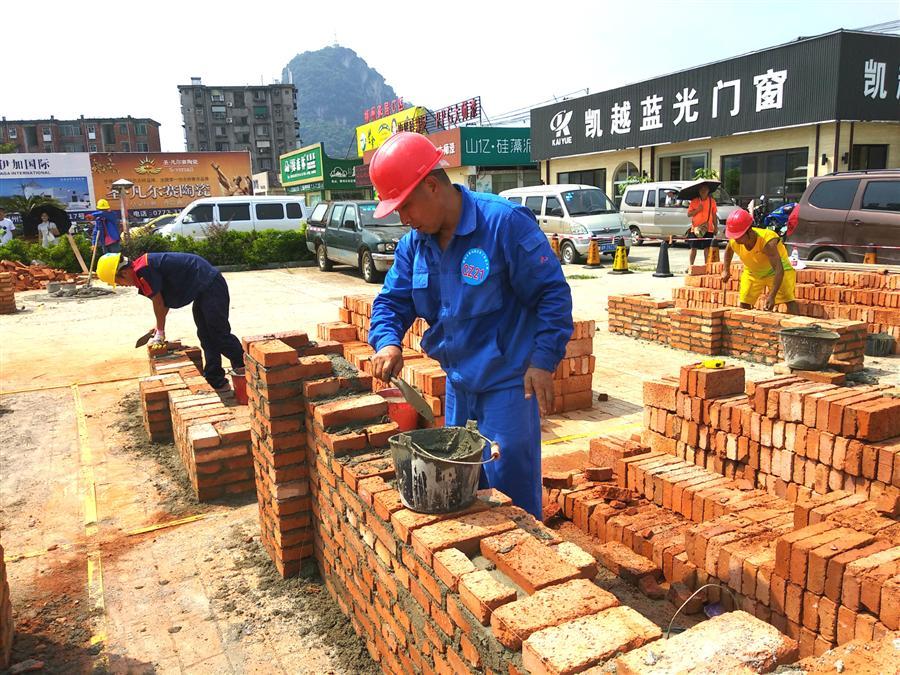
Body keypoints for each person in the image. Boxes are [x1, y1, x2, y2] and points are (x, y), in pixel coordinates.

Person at [366, 132, 574, 520]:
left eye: (405, 206)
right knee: (461, 488)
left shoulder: (503, 225)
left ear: (431, 186)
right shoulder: (416, 244)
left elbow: (553, 296)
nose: (403, 218)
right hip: (459, 386)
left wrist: (543, 361)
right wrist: (387, 342)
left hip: (509, 385)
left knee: (510, 493)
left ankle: (524, 573)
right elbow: (392, 301)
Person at [96, 251, 245, 391]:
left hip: (210, 284)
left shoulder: (144, 270)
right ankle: (215, 379)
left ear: (124, 272)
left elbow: (159, 302)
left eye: (118, 281)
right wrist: (158, 326)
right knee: (206, 334)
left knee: (219, 335)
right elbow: (163, 301)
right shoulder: (141, 270)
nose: (123, 285)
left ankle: (246, 370)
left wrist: (160, 332)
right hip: (202, 288)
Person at [721, 209, 799, 314]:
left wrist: (772, 296)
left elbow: (779, 270)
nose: (735, 240)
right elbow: (729, 251)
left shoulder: (767, 241)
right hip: (753, 272)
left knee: (788, 300)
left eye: (738, 236)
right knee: (744, 303)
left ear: (749, 231)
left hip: (777, 272)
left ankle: (797, 327)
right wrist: (726, 270)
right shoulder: (735, 240)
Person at [686, 183, 717, 266]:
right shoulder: (694, 201)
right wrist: (697, 210)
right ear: (699, 191)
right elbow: (689, 214)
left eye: (705, 189)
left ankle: (706, 265)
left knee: (707, 248)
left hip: (708, 228)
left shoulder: (712, 201)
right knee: (693, 248)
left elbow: (714, 215)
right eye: (701, 189)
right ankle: (691, 265)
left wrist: (716, 227)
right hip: (695, 229)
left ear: (708, 191)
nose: (703, 191)